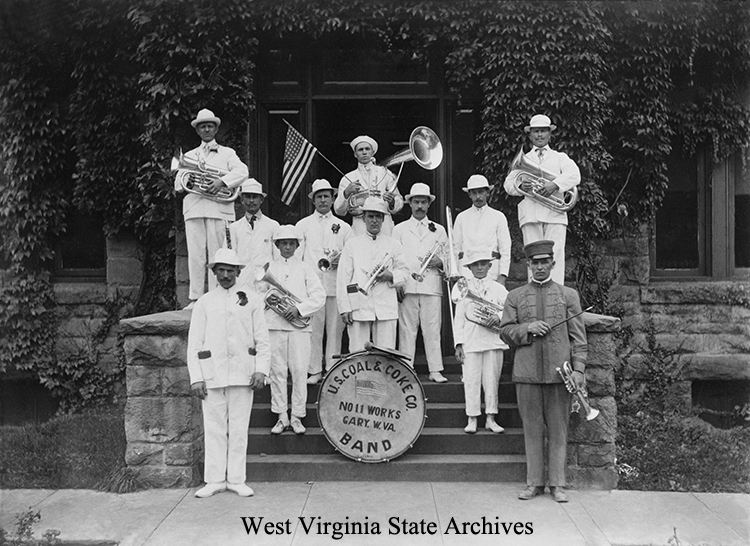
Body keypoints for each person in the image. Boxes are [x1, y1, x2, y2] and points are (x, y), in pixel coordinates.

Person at [498, 240, 588, 503]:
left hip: (560, 374)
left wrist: (579, 371)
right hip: (526, 373)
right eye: (534, 263)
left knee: (559, 429)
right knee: (532, 429)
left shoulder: (568, 295)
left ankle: (557, 485)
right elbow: (505, 332)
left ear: (552, 263)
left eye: (544, 262)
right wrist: (527, 328)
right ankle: (533, 483)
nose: (539, 267)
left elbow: (579, 339)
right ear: (528, 265)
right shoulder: (514, 296)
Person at [186, 248, 269, 498]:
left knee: (239, 428)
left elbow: (262, 339)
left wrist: (260, 370)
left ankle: (236, 479)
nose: (225, 275)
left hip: (243, 373)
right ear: (213, 272)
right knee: (214, 428)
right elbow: (195, 343)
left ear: (238, 272)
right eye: (220, 270)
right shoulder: (204, 302)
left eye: (230, 270)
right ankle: (214, 480)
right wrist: (197, 377)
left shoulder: (252, 299)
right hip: (212, 374)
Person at [175, 108, 248, 309]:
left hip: (219, 210)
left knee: (219, 254)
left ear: (216, 129)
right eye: (202, 126)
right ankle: (195, 298)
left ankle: (218, 296)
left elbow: (243, 171)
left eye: (210, 126)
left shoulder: (228, 153)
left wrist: (222, 182)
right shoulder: (189, 155)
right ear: (198, 131)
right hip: (195, 209)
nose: (206, 129)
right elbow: (178, 185)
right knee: (196, 254)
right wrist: (188, 179)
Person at [258, 225, 325, 435]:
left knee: (298, 371)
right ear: (277, 246)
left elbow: (319, 296)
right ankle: (281, 416)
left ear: (297, 246)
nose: (287, 247)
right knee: (277, 372)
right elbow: (258, 295)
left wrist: (298, 309)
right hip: (274, 326)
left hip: (299, 329)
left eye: (291, 243)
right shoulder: (269, 268)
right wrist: (271, 302)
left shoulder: (306, 269)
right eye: (283, 243)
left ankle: (297, 416)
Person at [503, 114, 581, 284]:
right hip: (530, 216)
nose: (539, 135)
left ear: (549, 134)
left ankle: (555, 301)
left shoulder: (560, 157)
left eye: (543, 131)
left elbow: (575, 175)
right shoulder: (525, 159)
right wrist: (520, 187)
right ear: (530, 135)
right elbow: (508, 185)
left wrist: (555, 185)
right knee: (533, 258)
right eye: (536, 131)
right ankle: (535, 300)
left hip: (555, 216)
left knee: (556, 259)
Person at [296, 179, 353, 384]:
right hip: (312, 287)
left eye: (326, 196)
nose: (323, 200)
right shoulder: (302, 225)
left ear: (332, 199)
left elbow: (352, 254)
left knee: (335, 330)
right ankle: (314, 370)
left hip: (334, 284)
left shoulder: (344, 227)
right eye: (319, 196)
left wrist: (341, 259)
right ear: (313, 200)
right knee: (314, 330)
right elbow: (297, 258)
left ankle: (332, 368)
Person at [392, 182, 448, 383]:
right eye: (416, 202)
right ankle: (407, 368)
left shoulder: (439, 230)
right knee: (407, 330)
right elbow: (394, 259)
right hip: (407, 286)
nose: (420, 206)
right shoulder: (399, 230)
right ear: (410, 203)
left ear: (428, 204)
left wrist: (440, 262)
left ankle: (435, 370)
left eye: (423, 202)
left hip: (431, 286)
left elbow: (448, 257)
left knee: (432, 329)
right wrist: (398, 282)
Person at [337, 197, 408, 352]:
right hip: (358, 306)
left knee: (385, 352)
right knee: (357, 352)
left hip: (386, 305)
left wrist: (391, 276)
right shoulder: (352, 245)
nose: (374, 220)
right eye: (370, 216)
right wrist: (345, 308)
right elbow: (343, 279)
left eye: (378, 216)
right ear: (363, 218)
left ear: (383, 219)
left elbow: (405, 273)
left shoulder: (394, 244)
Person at [453, 248, 509, 434]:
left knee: (492, 380)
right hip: (471, 341)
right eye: (475, 264)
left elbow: (510, 308)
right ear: (469, 267)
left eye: (483, 264)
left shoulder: (498, 288)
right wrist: (459, 344)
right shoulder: (462, 287)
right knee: (471, 380)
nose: (479, 267)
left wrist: (499, 316)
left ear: (489, 265)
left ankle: (491, 418)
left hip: (493, 340)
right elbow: (459, 317)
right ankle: (472, 418)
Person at [334, 135, 404, 236]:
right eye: (360, 150)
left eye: (367, 149)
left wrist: (392, 202)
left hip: (384, 227)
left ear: (372, 152)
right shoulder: (347, 178)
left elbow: (399, 201)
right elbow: (339, 210)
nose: (364, 152)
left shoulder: (385, 173)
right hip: (359, 228)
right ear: (355, 154)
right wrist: (346, 193)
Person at [452, 174, 511, 285]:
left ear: (487, 193)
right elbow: (456, 248)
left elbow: (505, 249)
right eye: (474, 193)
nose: (478, 196)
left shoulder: (498, 216)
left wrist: (502, 275)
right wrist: (455, 275)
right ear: (469, 194)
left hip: (492, 273)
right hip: (466, 274)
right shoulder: (461, 217)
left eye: (481, 192)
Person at [229, 178, 279, 287]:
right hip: (242, 283)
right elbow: (230, 259)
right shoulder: (234, 228)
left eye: (255, 197)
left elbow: (278, 259)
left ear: (261, 200)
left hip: (267, 284)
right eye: (248, 197)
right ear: (242, 200)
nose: (251, 201)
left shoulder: (273, 225)